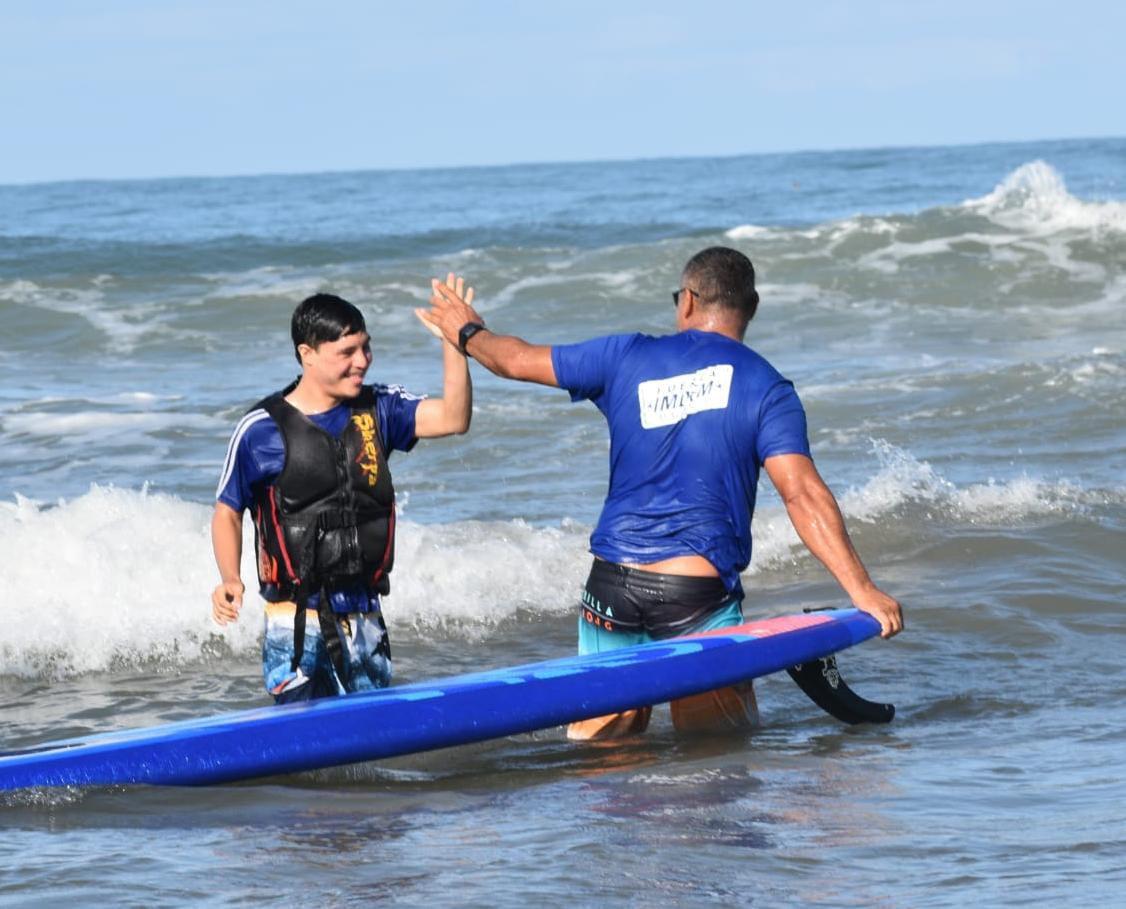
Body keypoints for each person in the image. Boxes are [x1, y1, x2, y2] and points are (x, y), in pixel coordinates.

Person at [417, 247, 903, 739]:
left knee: (603, 759)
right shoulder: (767, 387)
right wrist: (860, 588)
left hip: (610, 587)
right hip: (695, 598)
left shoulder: (624, 356)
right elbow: (801, 494)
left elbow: (514, 360)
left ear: (687, 300)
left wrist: (466, 331)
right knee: (715, 760)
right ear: (752, 307)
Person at [211, 280, 472, 703]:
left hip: (364, 615)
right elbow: (227, 510)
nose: (362, 361)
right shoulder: (260, 429)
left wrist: (453, 343)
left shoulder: (380, 408)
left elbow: (454, 418)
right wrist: (230, 578)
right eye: (347, 352)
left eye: (366, 348)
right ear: (307, 354)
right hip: (295, 621)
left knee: (371, 731)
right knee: (304, 731)